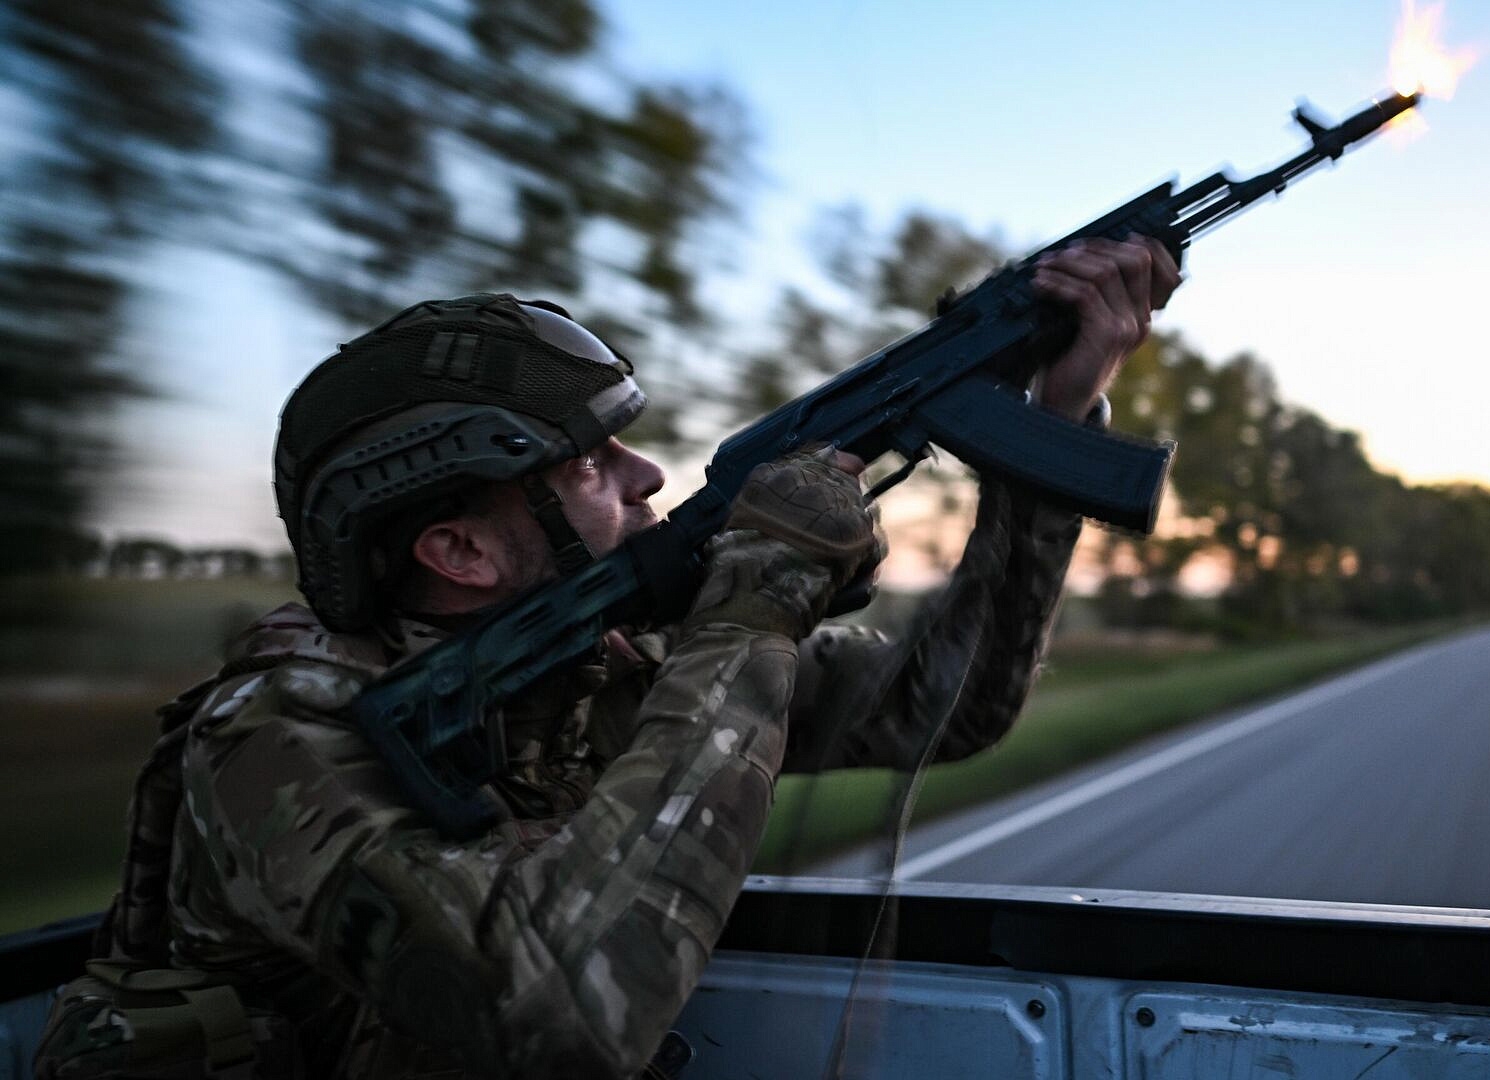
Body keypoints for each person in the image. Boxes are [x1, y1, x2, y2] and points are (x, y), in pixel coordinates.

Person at [35, 237, 1180, 1079]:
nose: (643, 477)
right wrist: (755, 607)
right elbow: (569, 1015)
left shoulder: (618, 647)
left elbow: (949, 704)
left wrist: (1057, 425)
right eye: (590, 462)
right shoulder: (279, 738)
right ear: (458, 546)